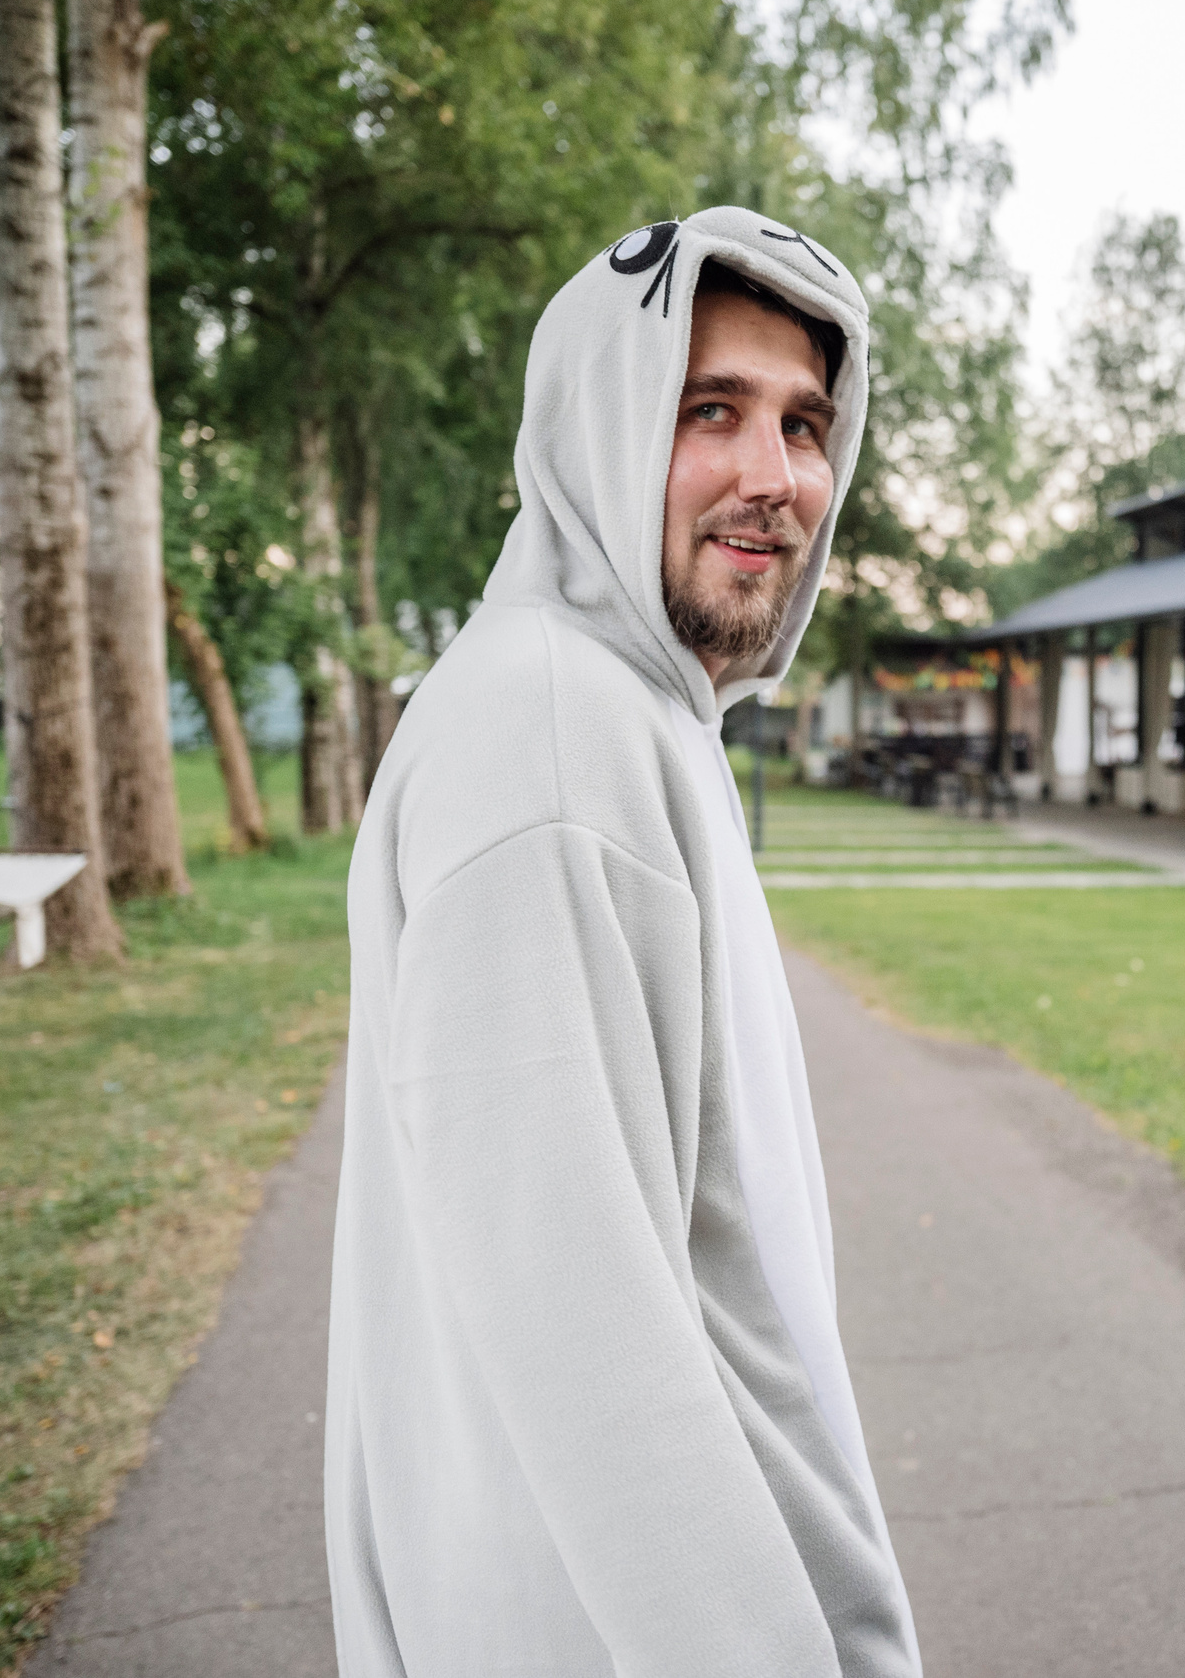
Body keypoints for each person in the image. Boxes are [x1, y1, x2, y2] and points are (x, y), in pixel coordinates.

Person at [325, 207, 920, 1678]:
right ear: (596, 421)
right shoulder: (547, 729)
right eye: (706, 407)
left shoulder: (629, 712)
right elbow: (598, 1348)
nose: (773, 476)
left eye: (804, 423)